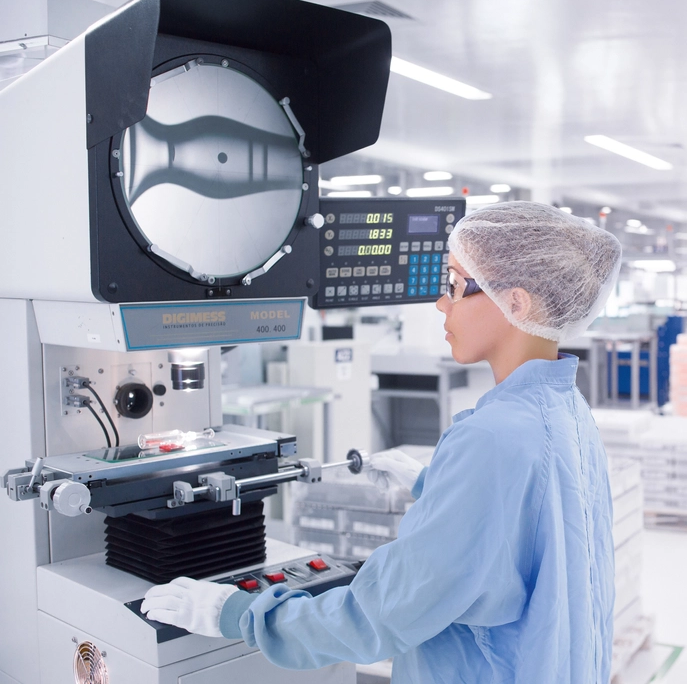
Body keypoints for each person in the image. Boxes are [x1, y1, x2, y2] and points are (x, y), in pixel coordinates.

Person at [141, 201, 622, 683]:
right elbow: (537, 526)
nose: (440, 304)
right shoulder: (568, 411)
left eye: (455, 286)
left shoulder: (491, 438)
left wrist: (240, 614)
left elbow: (383, 614)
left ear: (517, 303)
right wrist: (436, 485)